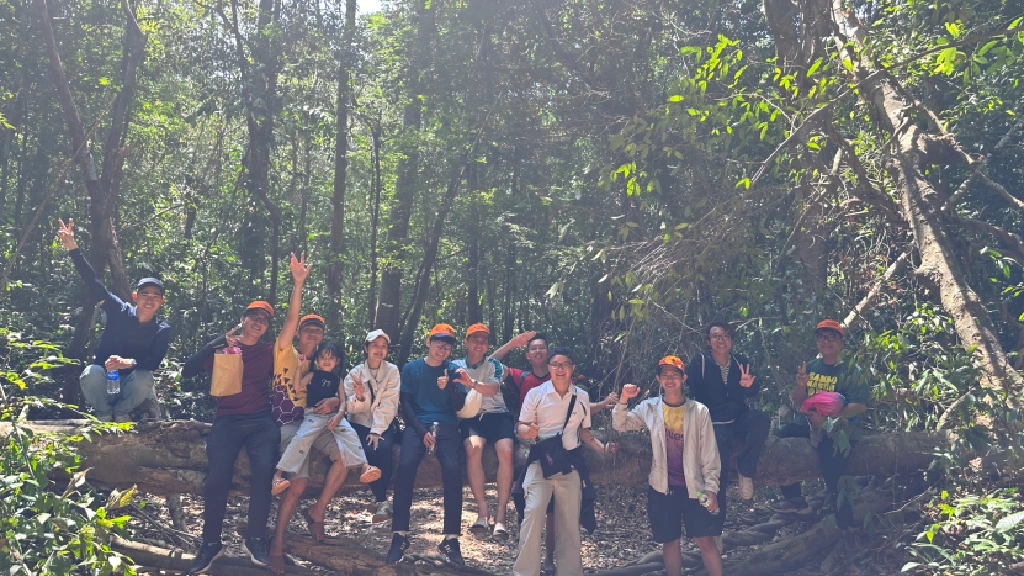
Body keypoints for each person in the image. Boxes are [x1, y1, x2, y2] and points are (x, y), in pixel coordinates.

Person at [493, 331, 616, 574]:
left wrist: (601, 448)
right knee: (533, 513)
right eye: (556, 364)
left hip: (569, 464)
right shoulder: (536, 394)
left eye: (565, 365)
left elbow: (584, 431)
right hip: (540, 462)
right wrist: (528, 431)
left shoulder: (581, 396)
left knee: (569, 525)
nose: (560, 369)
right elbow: (521, 426)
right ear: (549, 367)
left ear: (572, 369)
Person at [182, 300, 278, 573]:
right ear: (242, 319)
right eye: (254, 317)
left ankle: (255, 539)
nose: (259, 322)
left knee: (263, 471)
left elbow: (291, 373)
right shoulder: (223, 348)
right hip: (227, 419)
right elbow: (187, 371)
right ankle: (211, 543)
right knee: (216, 478)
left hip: (261, 420)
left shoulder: (269, 351)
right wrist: (215, 343)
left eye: (264, 320)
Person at [268, 255, 348, 575]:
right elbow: (290, 319)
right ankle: (276, 543)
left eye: (318, 331)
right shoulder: (285, 352)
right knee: (296, 485)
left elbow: (340, 391)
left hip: (318, 423)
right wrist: (298, 283)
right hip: (290, 424)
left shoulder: (323, 365)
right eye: (308, 330)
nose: (313, 334)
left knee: (346, 455)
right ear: (299, 333)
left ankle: (318, 511)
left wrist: (335, 401)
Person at [613, 356, 724, 576]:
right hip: (662, 488)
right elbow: (620, 423)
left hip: (696, 490)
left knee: (704, 539)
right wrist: (624, 399)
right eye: (665, 375)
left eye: (675, 375)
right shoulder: (650, 408)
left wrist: (711, 488)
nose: (670, 379)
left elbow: (710, 453)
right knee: (670, 540)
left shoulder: (699, 411)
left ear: (684, 378)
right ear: (658, 379)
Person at [57, 218, 168, 422]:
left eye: (155, 295)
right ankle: (104, 414)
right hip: (105, 383)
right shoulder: (119, 310)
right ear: (136, 297)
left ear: (162, 300)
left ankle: (122, 413)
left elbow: (153, 362)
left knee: (144, 377)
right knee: (90, 373)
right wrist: (73, 247)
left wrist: (127, 363)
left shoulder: (161, 329)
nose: (149, 299)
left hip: (130, 389)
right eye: (145, 294)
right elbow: (94, 283)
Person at [386, 323, 475, 566]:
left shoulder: (454, 370)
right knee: (405, 466)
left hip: (447, 425)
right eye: (438, 342)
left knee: (453, 470)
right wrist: (421, 431)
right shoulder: (411, 368)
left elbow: (459, 406)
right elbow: (406, 405)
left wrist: (451, 387)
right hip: (417, 425)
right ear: (428, 342)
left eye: (447, 345)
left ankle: (451, 540)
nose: (442, 348)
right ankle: (399, 536)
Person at [771, 319, 871, 529]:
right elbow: (798, 400)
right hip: (808, 424)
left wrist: (830, 420)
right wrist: (801, 385)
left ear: (841, 342)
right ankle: (795, 500)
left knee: (832, 468)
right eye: (822, 337)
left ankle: (845, 525)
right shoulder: (811, 367)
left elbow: (860, 405)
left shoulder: (851, 370)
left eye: (832, 337)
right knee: (782, 439)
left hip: (839, 429)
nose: (826, 342)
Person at [271, 341, 382, 494]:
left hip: (333, 415)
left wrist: (340, 414)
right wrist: (298, 367)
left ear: (337, 361)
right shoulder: (312, 375)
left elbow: (342, 402)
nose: (327, 361)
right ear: (317, 359)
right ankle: (278, 475)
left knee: (350, 434)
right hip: (313, 414)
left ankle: (365, 466)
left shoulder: (338, 380)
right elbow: (297, 387)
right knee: (301, 438)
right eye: (323, 357)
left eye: (331, 358)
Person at [686, 321, 770, 516]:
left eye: (725, 336)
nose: (721, 340)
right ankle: (715, 519)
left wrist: (748, 386)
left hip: (737, 418)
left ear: (731, 340)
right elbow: (694, 395)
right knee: (717, 471)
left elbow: (752, 391)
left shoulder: (740, 361)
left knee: (761, 419)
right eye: (716, 336)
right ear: (708, 341)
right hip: (713, 422)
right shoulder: (700, 362)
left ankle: (746, 470)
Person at [452, 323, 514, 538]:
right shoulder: (455, 365)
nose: (479, 344)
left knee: (506, 451)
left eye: (483, 341)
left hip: (498, 415)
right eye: (475, 340)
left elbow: (493, 389)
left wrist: (472, 383)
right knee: (473, 448)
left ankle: (501, 516)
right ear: (466, 342)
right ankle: (482, 511)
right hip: (471, 417)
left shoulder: (494, 365)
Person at [344, 329, 401, 524]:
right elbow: (350, 407)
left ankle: (380, 500)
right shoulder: (355, 373)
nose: (379, 350)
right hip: (359, 422)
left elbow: (390, 403)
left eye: (383, 346)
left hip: (383, 423)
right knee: (368, 450)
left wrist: (377, 430)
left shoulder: (392, 371)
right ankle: (382, 500)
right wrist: (360, 396)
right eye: (375, 345)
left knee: (383, 448)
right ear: (366, 348)